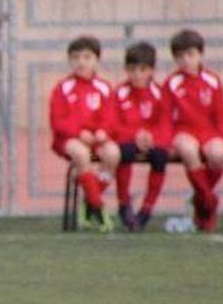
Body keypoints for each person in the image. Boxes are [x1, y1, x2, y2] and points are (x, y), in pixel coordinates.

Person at [48, 35, 118, 232]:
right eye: (76, 57)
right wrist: (79, 133)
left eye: (87, 57)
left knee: (113, 154)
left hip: (97, 138)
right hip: (69, 139)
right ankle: (98, 207)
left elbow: (111, 117)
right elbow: (58, 120)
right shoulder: (63, 88)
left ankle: (88, 203)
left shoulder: (104, 87)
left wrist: (103, 132)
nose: (81, 62)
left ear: (96, 60)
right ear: (70, 61)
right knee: (81, 154)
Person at [165, 28, 223, 232]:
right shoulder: (172, 83)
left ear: (200, 54)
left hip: (208, 131)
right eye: (180, 56)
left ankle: (200, 200)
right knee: (189, 150)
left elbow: (221, 115)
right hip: (183, 131)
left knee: (218, 154)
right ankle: (209, 202)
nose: (186, 60)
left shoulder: (213, 80)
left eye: (190, 54)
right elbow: (165, 118)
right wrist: (167, 143)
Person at [106, 41, 174, 232]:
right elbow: (113, 124)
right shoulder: (119, 93)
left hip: (153, 141)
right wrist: (134, 135)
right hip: (129, 140)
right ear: (126, 70)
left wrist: (153, 137)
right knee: (125, 153)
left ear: (151, 71)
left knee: (160, 156)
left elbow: (166, 123)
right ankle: (124, 204)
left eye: (142, 70)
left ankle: (147, 209)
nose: (137, 75)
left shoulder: (160, 93)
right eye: (132, 69)